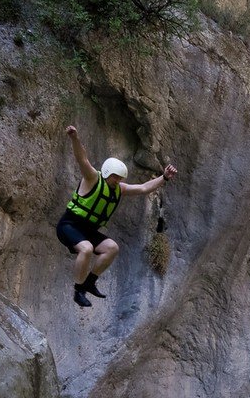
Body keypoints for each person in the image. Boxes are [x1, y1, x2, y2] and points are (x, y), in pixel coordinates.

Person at [56, 124, 178, 308]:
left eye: (120, 178)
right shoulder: (92, 179)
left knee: (112, 247)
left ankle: (90, 283)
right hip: (69, 225)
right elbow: (82, 159)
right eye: (116, 177)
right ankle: (78, 290)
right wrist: (74, 137)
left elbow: (143, 188)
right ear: (107, 173)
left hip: (88, 230)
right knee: (87, 249)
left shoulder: (119, 189)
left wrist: (164, 178)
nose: (118, 181)